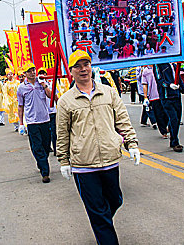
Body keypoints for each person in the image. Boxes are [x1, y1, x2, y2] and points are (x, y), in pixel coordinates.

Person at [56, 50, 140, 245]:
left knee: (116, 200)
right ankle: (105, 234)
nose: (83, 69)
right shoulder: (66, 101)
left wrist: (132, 144)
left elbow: (123, 121)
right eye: (77, 66)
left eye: (86, 64)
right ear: (71, 71)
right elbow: (62, 133)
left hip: (110, 160)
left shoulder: (109, 92)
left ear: (91, 67)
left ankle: (102, 223)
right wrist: (63, 161)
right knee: (97, 211)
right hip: (83, 165)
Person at [17, 62, 52, 183]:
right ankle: (45, 172)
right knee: (37, 146)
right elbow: (20, 106)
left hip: (45, 119)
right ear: (25, 74)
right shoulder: (21, 88)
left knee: (46, 145)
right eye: (29, 71)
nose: (32, 72)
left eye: (33, 69)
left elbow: (50, 96)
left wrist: (44, 85)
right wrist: (21, 123)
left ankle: (41, 162)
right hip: (32, 121)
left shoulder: (41, 82)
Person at [153, 63, 184, 152]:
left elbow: (179, 80)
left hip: (176, 95)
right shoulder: (158, 65)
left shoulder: (175, 65)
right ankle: (175, 142)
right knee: (173, 118)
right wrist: (169, 85)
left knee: (177, 119)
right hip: (166, 96)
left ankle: (172, 138)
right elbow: (159, 80)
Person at [142, 65, 169, 139]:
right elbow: (145, 84)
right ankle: (163, 131)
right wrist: (145, 97)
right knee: (159, 115)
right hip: (153, 96)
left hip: (164, 94)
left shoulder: (160, 67)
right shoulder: (145, 71)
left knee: (167, 113)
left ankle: (166, 126)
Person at [38, 67, 57, 155]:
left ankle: (56, 149)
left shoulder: (51, 84)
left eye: (43, 73)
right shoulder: (37, 86)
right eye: (40, 73)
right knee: (46, 133)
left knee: (54, 131)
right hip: (43, 113)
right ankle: (47, 147)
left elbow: (55, 96)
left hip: (52, 111)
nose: (42, 75)